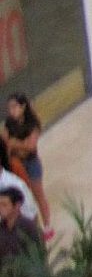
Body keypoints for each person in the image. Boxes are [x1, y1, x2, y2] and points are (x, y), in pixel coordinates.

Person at [5, 94, 51, 240]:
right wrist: (18, 145)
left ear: (23, 106)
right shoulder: (9, 124)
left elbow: (30, 146)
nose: (11, 111)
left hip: (31, 163)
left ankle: (47, 226)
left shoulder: (32, 124)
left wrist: (15, 144)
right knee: (22, 196)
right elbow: (7, 143)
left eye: (14, 107)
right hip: (17, 164)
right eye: (10, 107)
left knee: (39, 195)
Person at [0, 186, 42, 267]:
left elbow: (39, 255)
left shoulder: (29, 227)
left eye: (4, 205)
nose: (0, 208)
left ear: (17, 205)